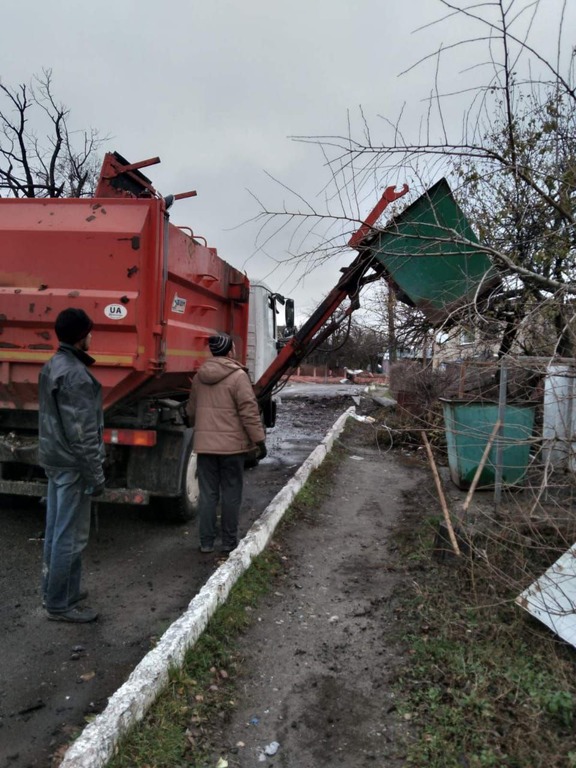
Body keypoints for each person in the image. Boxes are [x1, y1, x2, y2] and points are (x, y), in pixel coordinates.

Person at [38, 308, 105, 623]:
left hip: (55, 459)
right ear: (81, 337)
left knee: (56, 530)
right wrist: (95, 473)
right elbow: (82, 435)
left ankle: (59, 591)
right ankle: (60, 605)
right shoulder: (76, 375)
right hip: (73, 464)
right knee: (71, 535)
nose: (92, 337)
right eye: (89, 332)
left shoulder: (53, 365)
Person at [186, 333, 266, 554]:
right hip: (232, 449)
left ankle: (206, 542)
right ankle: (229, 542)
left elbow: (191, 412)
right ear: (230, 351)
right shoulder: (238, 376)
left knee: (208, 494)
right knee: (231, 493)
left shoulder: (200, 377)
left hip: (206, 448)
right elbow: (249, 412)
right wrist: (259, 440)